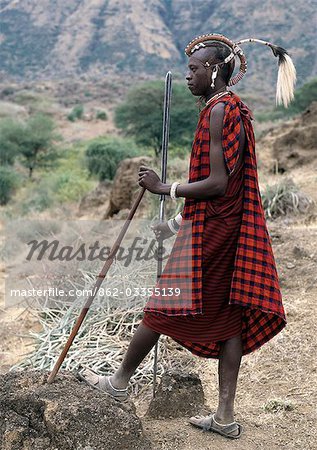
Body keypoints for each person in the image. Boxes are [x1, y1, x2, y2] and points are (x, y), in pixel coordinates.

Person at [78, 33, 296, 440]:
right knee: (229, 319)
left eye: (195, 69)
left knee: (163, 303)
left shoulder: (219, 111)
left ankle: (120, 382)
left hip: (212, 232)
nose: (188, 75)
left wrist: (166, 188)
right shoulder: (231, 109)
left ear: (214, 70)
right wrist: (177, 223)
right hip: (224, 227)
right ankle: (225, 418)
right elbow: (221, 188)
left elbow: (216, 183)